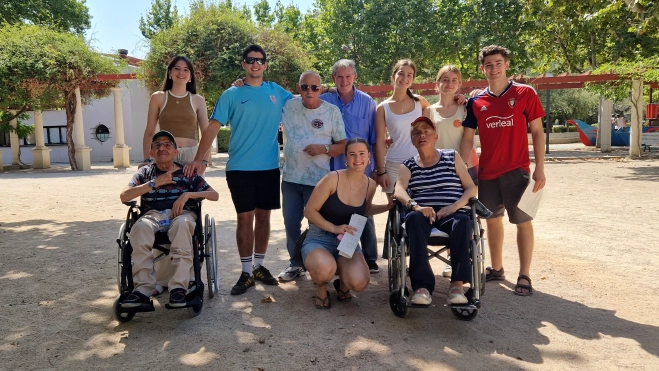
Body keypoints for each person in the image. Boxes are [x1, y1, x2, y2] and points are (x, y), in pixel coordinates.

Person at [185, 44, 294, 295]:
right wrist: (198, 159)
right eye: (250, 60)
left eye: (260, 60)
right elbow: (212, 128)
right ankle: (246, 272)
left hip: (268, 168)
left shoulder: (277, 92)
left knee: (264, 217)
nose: (255, 64)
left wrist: (328, 92)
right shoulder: (231, 94)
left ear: (266, 65)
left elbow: (306, 102)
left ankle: (259, 266)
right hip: (240, 168)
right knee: (245, 218)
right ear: (244, 64)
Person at [460, 45, 546, 296]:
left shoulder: (525, 93)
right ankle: (497, 268)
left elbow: (538, 132)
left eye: (498, 63)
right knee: (492, 220)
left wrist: (540, 167)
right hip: (487, 172)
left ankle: (525, 275)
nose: (493, 68)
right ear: (482, 68)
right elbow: (467, 138)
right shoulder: (476, 101)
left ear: (507, 65)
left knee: (523, 221)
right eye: (489, 65)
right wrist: (464, 168)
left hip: (517, 171)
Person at [119, 130, 218, 308]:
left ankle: (179, 288)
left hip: (182, 215)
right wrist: (153, 184)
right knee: (140, 227)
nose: (162, 148)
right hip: (152, 215)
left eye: (167, 145)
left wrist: (188, 194)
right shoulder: (145, 173)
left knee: (182, 224)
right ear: (151, 153)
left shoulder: (187, 173)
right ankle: (142, 289)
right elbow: (124, 196)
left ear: (175, 152)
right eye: (157, 145)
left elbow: (214, 194)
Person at [394, 116, 477, 305]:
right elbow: (399, 190)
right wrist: (416, 206)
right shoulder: (408, 165)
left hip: (452, 213)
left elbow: (471, 188)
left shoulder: (451, 156)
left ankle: (457, 285)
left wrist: (454, 207)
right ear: (412, 140)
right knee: (413, 220)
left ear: (435, 137)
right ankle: (422, 287)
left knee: (464, 222)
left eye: (427, 132)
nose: (422, 135)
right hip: (424, 214)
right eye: (417, 133)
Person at [302, 138, 393, 308]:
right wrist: (334, 228)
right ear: (346, 158)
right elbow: (309, 211)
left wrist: (388, 206)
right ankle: (321, 288)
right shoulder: (332, 179)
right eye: (352, 154)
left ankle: (343, 284)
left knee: (359, 282)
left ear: (369, 157)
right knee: (324, 270)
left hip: (347, 241)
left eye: (361, 154)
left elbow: (364, 210)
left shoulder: (370, 185)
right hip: (319, 238)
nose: (357, 159)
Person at [278, 71, 347, 281]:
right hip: (290, 178)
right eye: (305, 86)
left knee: (317, 227)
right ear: (298, 88)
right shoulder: (288, 106)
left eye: (315, 87)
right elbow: (265, 92)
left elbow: (342, 145)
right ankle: (295, 264)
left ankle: (320, 265)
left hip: (318, 182)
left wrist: (323, 148)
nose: (310, 91)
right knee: (291, 224)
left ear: (321, 89)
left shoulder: (332, 111)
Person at [318, 59, 381, 273]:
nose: (344, 80)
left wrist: (376, 169)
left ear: (354, 77)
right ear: (333, 78)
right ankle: (338, 253)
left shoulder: (367, 102)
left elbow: (374, 138)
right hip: (331, 167)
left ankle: (370, 257)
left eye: (348, 76)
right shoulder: (324, 99)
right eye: (339, 76)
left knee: (363, 212)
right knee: (335, 210)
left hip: (360, 166)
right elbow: (302, 99)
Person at [423, 64, 480, 279]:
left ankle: (456, 260)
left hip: (465, 166)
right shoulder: (428, 111)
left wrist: (461, 165)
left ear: (459, 84)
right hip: (436, 169)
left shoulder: (465, 108)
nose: (449, 84)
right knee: (442, 210)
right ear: (437, 84)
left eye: (454, 80)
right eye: (445, 79)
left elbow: (467, 138)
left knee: (461, 213)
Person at [141, 56, 211, 173]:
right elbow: (150, 132)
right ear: (170, 73)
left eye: (186, 69)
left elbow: (207, 133)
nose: (181, 72)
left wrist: (204, 161)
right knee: (165, 190)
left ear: (190, 76)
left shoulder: (198, 100)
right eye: (177, 68)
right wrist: (147, 160)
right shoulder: (158, 97)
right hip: (165, 154)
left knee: (192, 191)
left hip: (191, 156)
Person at [374, 59, 431, 194]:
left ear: (413, 79)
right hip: (394, 165)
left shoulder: (421, 102)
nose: (404, 78)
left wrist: (460, 99)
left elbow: (435, 123)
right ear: (393, 76)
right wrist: (381, 171)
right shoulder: (382, 108)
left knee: (421, 209)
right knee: (394, 210)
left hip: (420, 163)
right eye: (401, 73)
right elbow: (380, 142)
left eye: (409, 75)